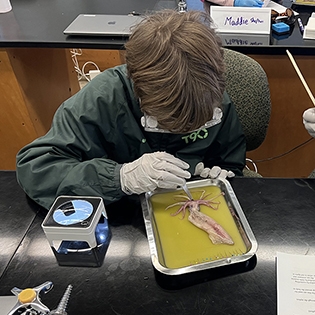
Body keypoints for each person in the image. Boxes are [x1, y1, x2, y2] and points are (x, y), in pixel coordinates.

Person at [16, 10, 246, 210]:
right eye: (166, 124)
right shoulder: (103, 98)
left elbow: (230, 161)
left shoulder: (210, 98)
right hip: (120, 215)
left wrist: (221, 173)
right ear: (138, 89)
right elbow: (37, 169)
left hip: (191, 203)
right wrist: (120, 178)